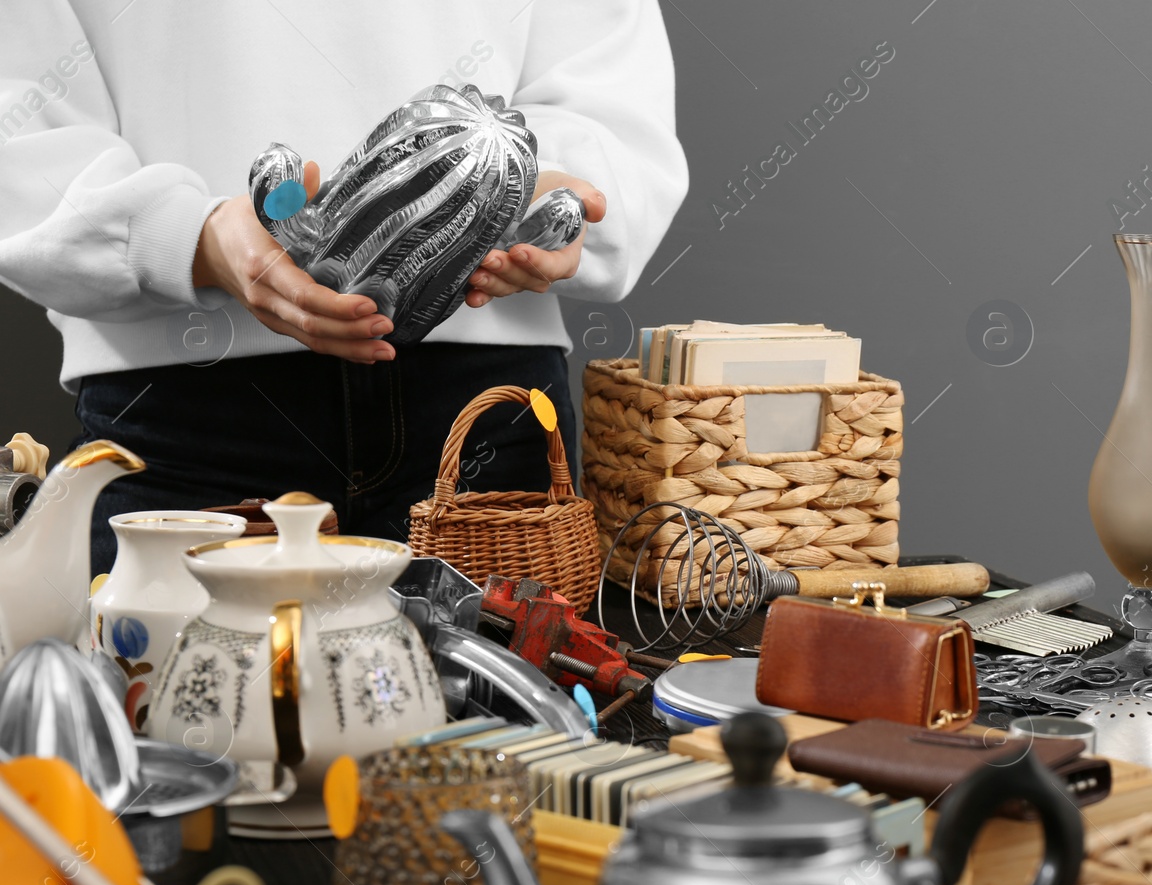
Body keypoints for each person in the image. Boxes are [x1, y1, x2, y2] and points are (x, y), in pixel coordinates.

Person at [0, 2, 688, 573]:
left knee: (509, 737)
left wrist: (538, 193)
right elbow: (19, 130)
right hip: (185, 432)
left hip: (482, 422)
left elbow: (615, 103)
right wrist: (194, 237)